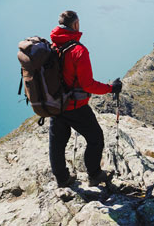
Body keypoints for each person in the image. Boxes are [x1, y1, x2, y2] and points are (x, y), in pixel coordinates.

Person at [49, 10, 122, 188]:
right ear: (75, 25)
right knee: (96, 138)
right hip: (75, 106)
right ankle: (95, 175)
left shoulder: (53, 46)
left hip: (54, 104)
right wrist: (111, 88)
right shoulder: (78, 51)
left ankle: (62, 178)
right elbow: (87, 84)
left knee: (57, 143)